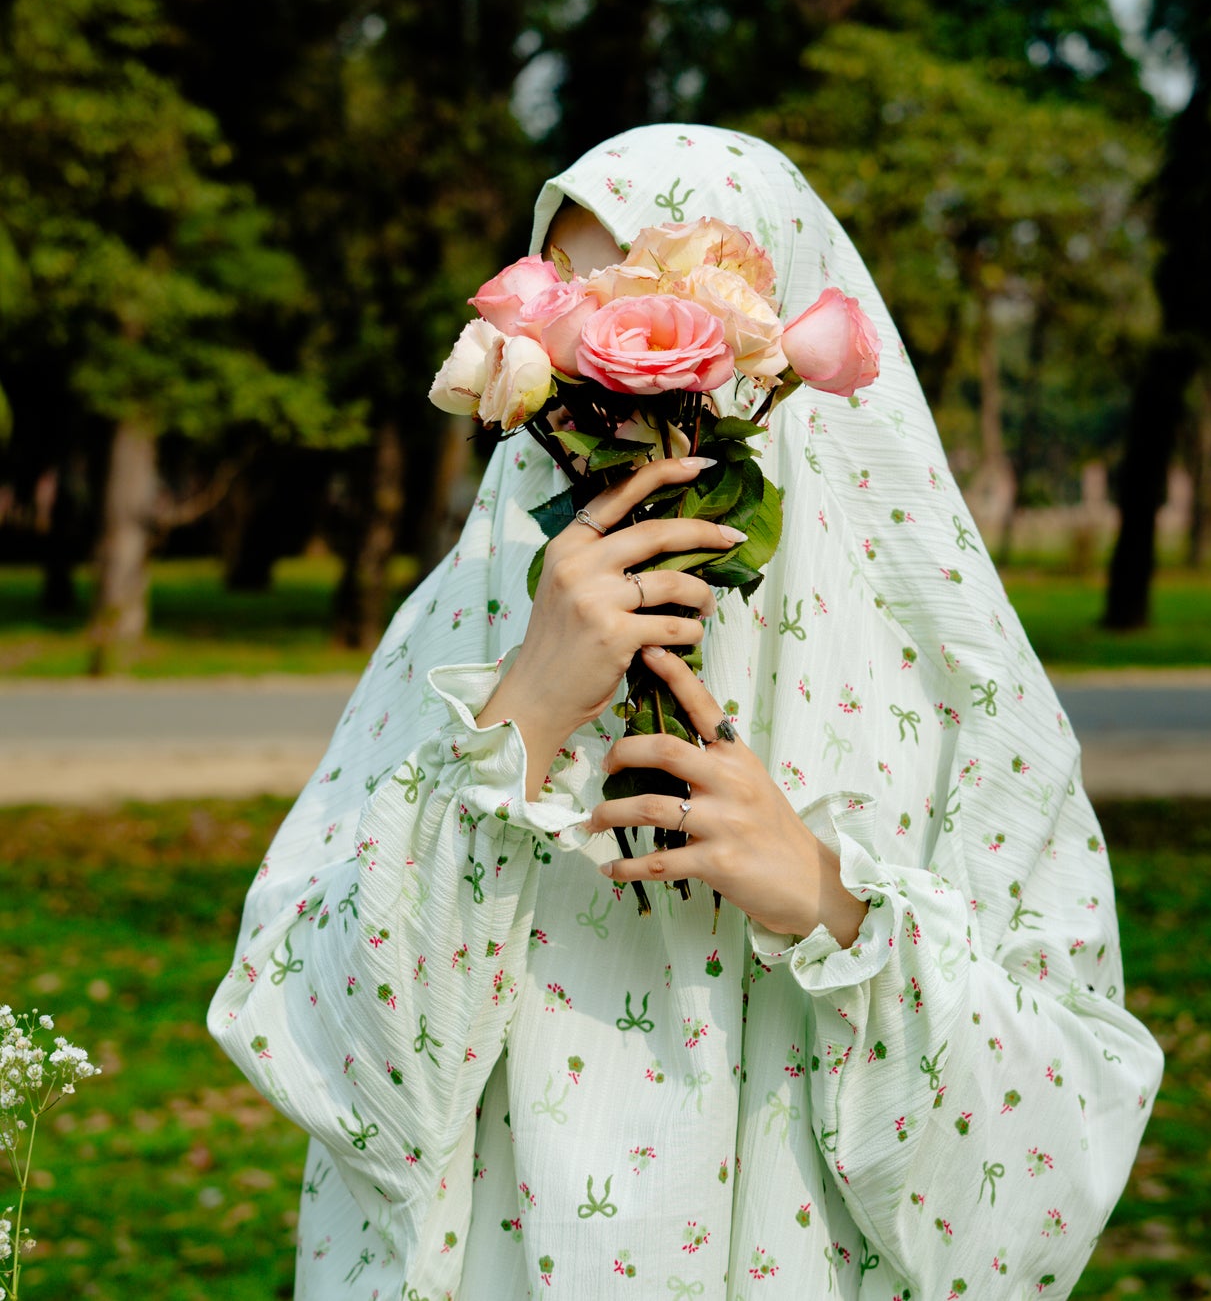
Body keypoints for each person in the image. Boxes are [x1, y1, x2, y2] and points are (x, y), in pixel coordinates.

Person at [209, 125, 1163, 1301]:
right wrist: (517, 719)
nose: (613, 379)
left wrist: (831, 900)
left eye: (663, 319)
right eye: (572, 321)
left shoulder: (951, 681)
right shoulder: (461, 628)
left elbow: (1056, 1140)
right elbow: (319, 1050)